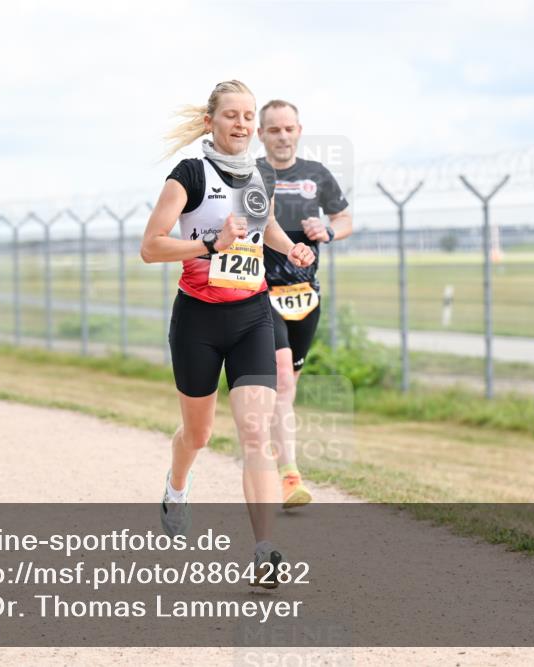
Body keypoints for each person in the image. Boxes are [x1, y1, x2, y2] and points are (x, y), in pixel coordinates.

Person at [141, 80, 315, 586]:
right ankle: (176, 487)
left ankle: (264, 551)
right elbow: (151, 247)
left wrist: (291, 249)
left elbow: (269, 229)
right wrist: (211, 244)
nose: (241, 124)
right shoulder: (189, 175)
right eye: (232, 116)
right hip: (198, 318)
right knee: (197, 434)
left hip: (252, 316)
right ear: (210, 122)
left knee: (256, 433)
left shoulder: (259, 176)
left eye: (247, 116)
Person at [256, 100, 352, 509]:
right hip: (260, 292)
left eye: (288, 128)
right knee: (282, 378)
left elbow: (346, 218)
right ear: (261, 134)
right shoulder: (252, 175)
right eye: (273, 129)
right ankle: (290, 476)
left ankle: (271, 442)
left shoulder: (317, 175)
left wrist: (327, 230)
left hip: (305, 295)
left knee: (287, 387)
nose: (282, 136)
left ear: (299, 130)